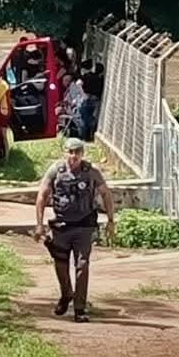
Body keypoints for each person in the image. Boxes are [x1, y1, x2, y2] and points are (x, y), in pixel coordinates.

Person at [34, 138, 115, 323]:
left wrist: (111, 220)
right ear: (65, 153)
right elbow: (42, 195)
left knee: (82, 265)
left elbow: (105, 193)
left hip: (84, 226)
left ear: (82, 154)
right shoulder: (56, 171)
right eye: (70, 152)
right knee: (61, 265)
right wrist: (39, 224)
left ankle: (80, 308)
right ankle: (66, 294)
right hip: (61, 227)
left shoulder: (91, 171)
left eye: (77, 152)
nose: (73, 156)